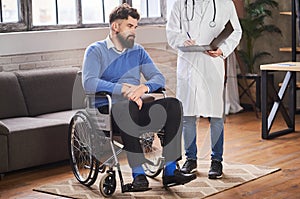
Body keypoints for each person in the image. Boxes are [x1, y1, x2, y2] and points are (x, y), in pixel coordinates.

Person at [82, 3, 196, 190]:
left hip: (137, 107)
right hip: (108, 113)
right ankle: (138, 175)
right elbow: (89, 82)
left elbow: (158, 77)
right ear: (115, 26)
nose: (134, 31)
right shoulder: (96, 51)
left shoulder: (138, 51)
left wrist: (143, 87)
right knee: (125, 108)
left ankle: (170, 170)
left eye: (135, 27)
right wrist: (123, 89)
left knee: (173, 104)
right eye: (130, 26)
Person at [166, 0, 242, 179]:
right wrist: (182, 41)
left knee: (216, 116)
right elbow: (171, 32)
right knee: (188, 115)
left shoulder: (225, 3)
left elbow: (236, 31)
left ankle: (217, 161)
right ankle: (190, 159)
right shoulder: (180, 4)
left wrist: (222, 50)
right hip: (188, 63)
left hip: (211, 64)